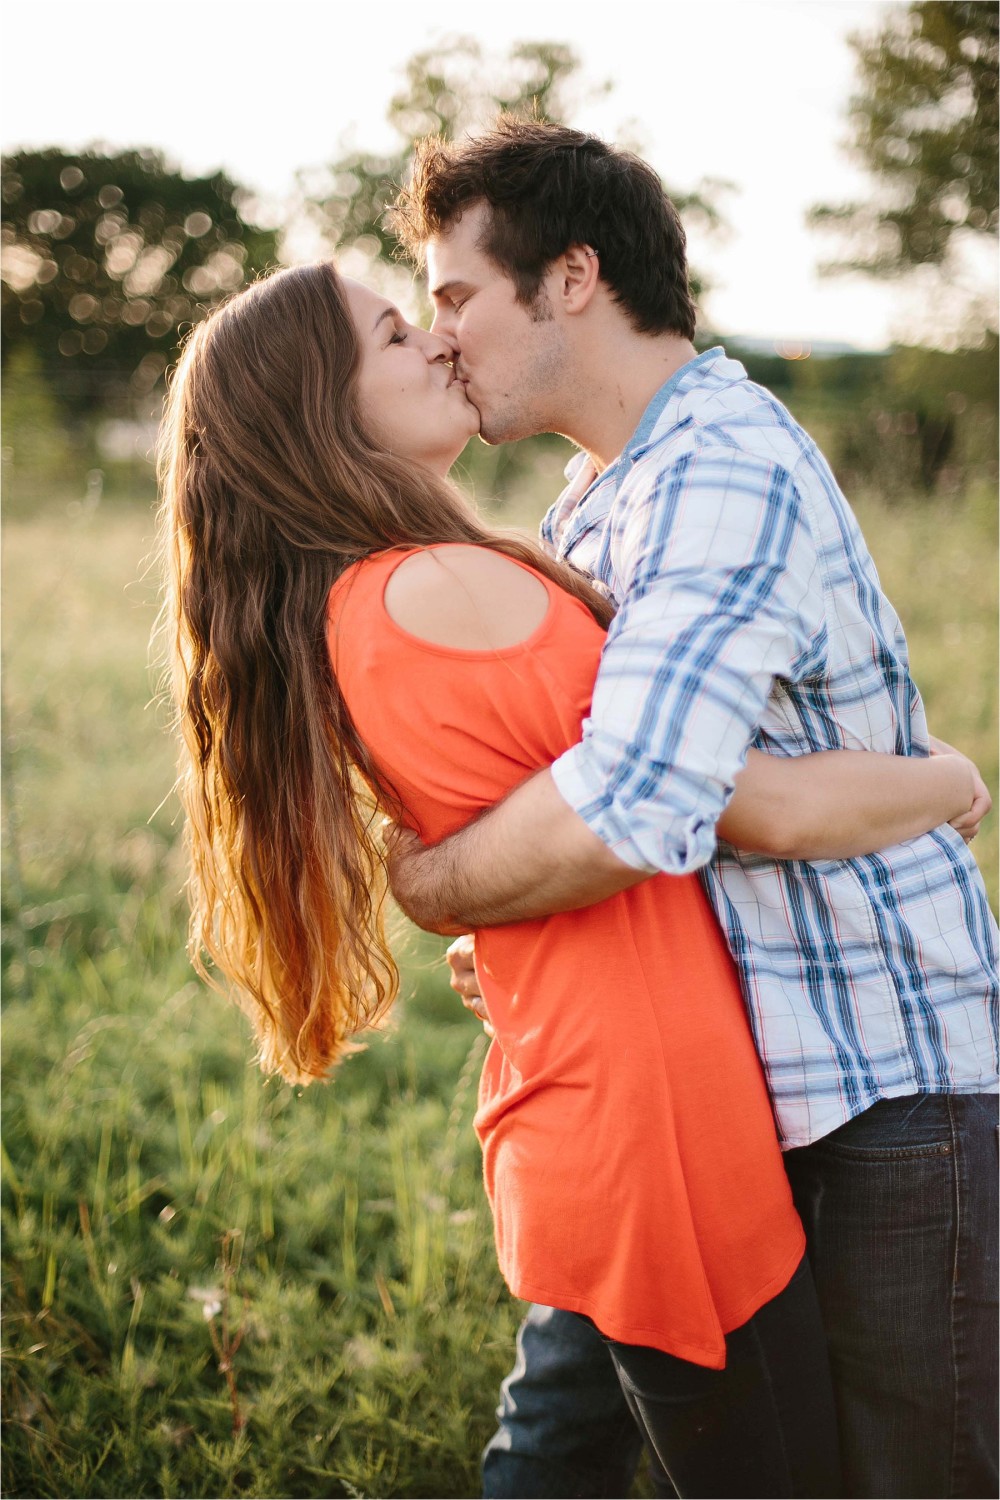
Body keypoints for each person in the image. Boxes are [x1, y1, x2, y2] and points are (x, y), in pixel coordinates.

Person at [157, 261, 984, 1500]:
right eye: (395, 331)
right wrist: (948, 784)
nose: (436, 343)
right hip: (660, 1120)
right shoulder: (449, 586)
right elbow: (703, 797)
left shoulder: (371, 599)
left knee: (558, 1444)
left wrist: (448, 887)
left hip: (589, 1093)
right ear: (322, 409)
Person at [379, 119, 1000, 1500]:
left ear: (574, 276)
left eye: (458, 294)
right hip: (720, 1089)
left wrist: (427, 885)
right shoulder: (602, 495)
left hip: (878, 1077)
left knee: (921, 1474)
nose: (443, 336)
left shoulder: (720, 467)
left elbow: (631, 807)